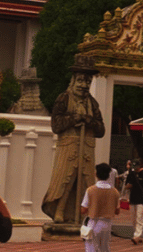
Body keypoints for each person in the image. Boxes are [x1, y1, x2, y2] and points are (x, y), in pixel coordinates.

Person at [41, 61, 105, 224]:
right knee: (65, 181)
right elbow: (56, 125)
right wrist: (74, 118)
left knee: (86, 182)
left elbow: (101, 130)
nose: (84, 85)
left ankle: (82, 215)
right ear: (73, 81)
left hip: (87, 147)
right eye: (81, 81)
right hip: (68, 146)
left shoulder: (92, 103)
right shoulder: (64, 98)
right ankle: (59, 210)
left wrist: (89, 121)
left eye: (88, 82)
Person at [80, 163, 120, 252]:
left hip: (93, 222)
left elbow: (83, 209)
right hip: (107, 223)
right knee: (104, 248)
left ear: (96, 174)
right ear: (108, 175)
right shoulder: (115, 192)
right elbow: (117, 211)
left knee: (91, 247)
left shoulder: (90, 190)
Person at [125, 160, 143, 244]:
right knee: (133, 217)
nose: (135, 168)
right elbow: (126, 185)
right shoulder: (131, 174)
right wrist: (129, 185)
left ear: (140, 166)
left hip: (142, 198)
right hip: (133, 198)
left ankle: (136, 235)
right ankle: (138, 235)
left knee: (139, 217)